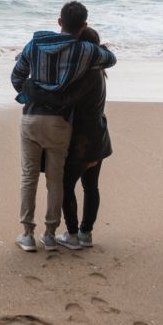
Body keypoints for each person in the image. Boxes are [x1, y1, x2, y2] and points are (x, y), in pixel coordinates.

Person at [10, 1, 116, 252]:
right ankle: (50, 234)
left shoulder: (35, 44)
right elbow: (111, 59)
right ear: (84, 26)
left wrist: (30, 96)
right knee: (58, 181)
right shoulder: (86, 53)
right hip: (63, 125)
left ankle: (28, 235)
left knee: (29, 178)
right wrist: (89, 50)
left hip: (33, 119)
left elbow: (17, 77)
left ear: (59, 21)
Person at [55, 26, 113, 250]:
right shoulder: (98, 69)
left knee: (65, 185)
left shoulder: (86, 73)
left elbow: (67, 100)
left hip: (82, 140)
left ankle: (72, 234)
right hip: (98, 136)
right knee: (91, 187)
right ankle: (86, 233)